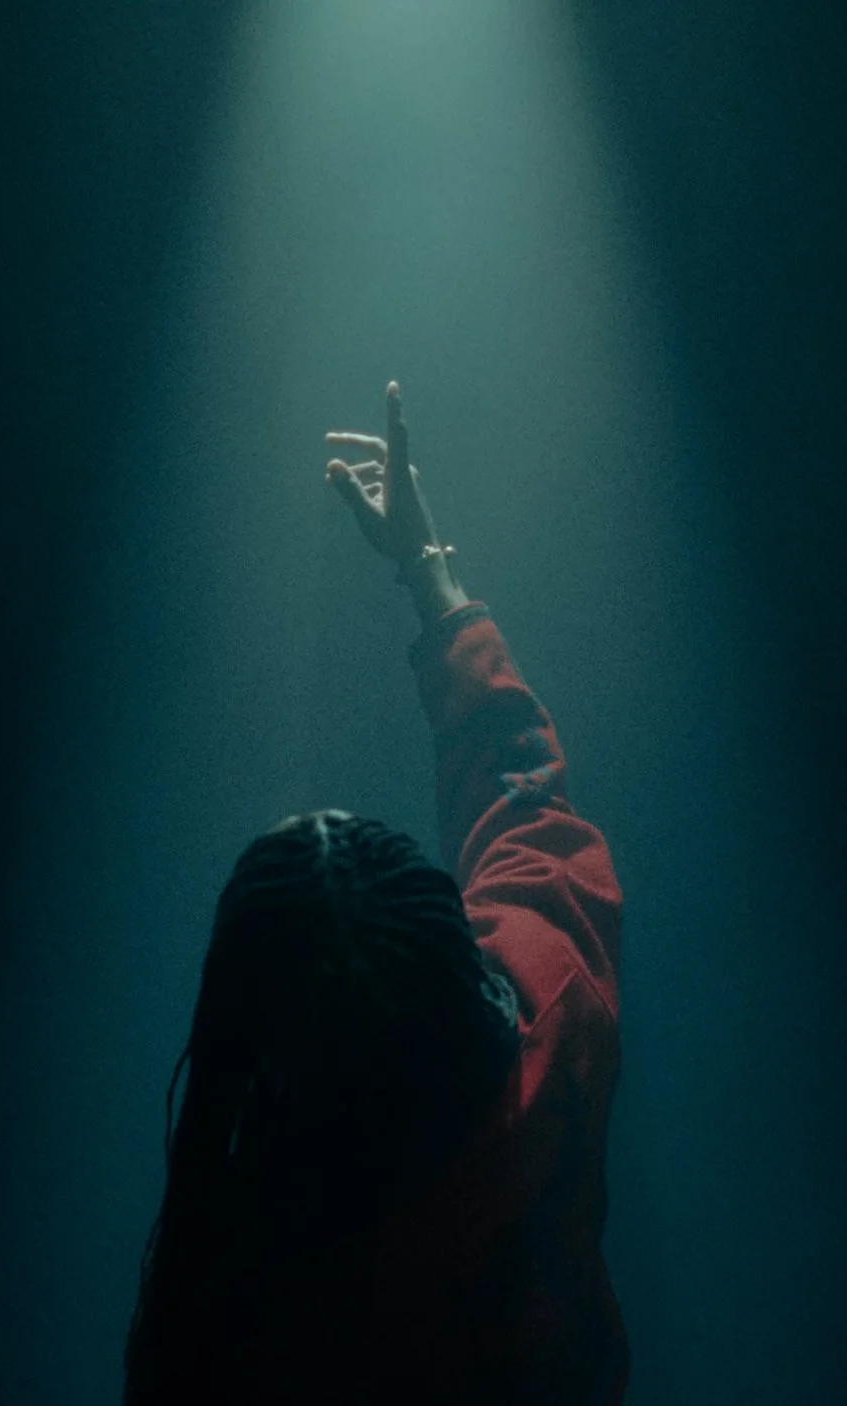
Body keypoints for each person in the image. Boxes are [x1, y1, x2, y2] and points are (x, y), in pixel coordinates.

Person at [122, 382, 629, 1405]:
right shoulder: (553, 1008)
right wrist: (429, 570)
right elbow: (525, 800)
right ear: (451, 945)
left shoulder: (252, 1282)